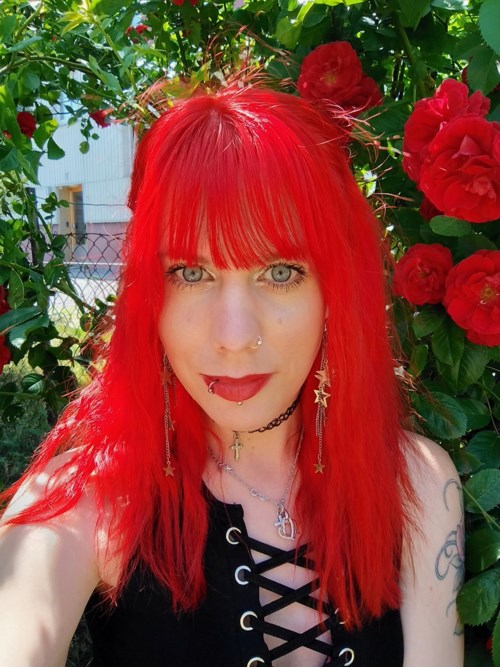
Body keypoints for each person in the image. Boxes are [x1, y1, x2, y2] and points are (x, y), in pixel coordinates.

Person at [0, 84, 464, 667]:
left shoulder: (415, 484)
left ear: (335, 294)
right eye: (191, 273)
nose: (235, 336)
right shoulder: (89, 500)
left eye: (281, 272)